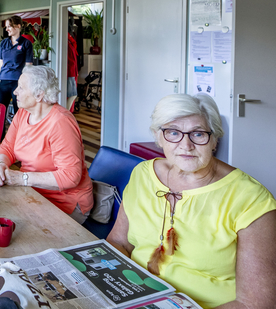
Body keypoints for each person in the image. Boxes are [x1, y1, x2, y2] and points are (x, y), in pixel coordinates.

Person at [107, 94, 276, 308]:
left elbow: (254, 303)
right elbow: (119, 243)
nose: (185, 145)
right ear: (158, 137)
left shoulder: (251, 200)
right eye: (174, 133)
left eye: (198, 134)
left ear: (214, 140)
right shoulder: (143, 174)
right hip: (136, 294)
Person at [0, 66, 93, 224]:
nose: (15, 91)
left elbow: (70, 177)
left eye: (21, 87)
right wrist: (0, 164)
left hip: (65, 202)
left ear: (39, 94)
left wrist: (22, 178)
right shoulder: (23, 113)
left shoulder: (60, 122)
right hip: (32, 191)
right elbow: (7, 148)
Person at [0, 16, 33, 115]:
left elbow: (28, 66)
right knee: (0, 112)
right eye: (6, 27)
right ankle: (0, 131)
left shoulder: (26, 44)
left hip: (18, 83)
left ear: (18, 26)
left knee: (19, 111)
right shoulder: (4, 43)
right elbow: (0, 65)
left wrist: (25, 84)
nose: (7, 29)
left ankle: (19, 130)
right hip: (3, 82)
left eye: (9, 26)